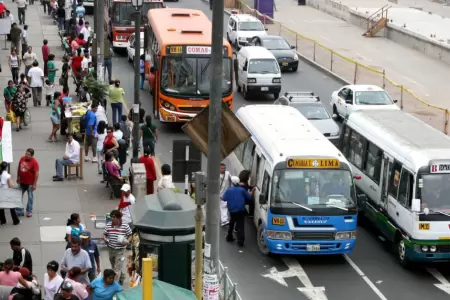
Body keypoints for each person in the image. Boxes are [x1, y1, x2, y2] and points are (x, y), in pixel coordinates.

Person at [223, 176, 255, 247]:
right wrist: (252, 191)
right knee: (241, 226)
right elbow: (249, 197)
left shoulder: (229, 190)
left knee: (231, 223)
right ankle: (240, 241)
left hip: (232, 211)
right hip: (240, 210)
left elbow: (224, 198)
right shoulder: (242, 190)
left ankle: (229, 236)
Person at [103, 210, 132, 284]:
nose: (112, 219)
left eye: (114, 217)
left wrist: (126, 242)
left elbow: (130, 235)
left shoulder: (125, 226)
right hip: (111, 248)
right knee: (114, 265)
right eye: (111, 217)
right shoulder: (109, 225)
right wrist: (105, 239)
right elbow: (104, 234)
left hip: (120, 250)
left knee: (117, 267)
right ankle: (122, 277)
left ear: (118, 218)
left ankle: (114, 284)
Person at [16, 148, 39, 217]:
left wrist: (34, 184)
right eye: (26, 153)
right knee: (19, 196)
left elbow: (36, 174)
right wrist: (18, 177)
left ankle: (29, 211)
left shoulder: (35, 162)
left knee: (30, 198)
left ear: (32, 156)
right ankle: (20, 211)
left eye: (28, 154)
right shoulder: (22, 159)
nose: (26, 155)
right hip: (22, 182)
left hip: (30, 184)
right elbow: (19, 168)